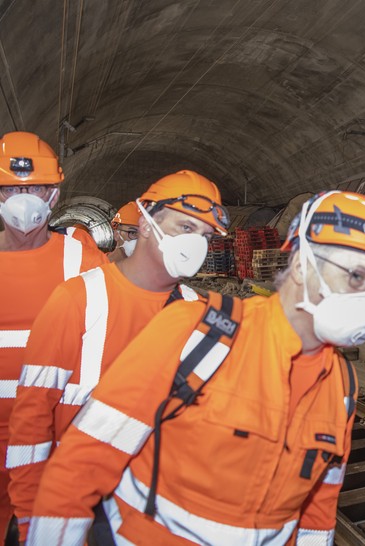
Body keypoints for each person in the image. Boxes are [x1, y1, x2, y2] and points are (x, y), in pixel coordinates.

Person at [28, 190, 365, 545]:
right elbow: (80, 466)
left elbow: (319, 510)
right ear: (303, 265)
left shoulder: (340, 385)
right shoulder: (196, 333)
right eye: (356, 276)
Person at [7, 170, 228, 542]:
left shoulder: (203, 313)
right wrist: (32, 521)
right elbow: (31, 422)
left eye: (205, 236)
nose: (196, 244)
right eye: (185, 227)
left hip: (159, 512)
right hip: (83, 509)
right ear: (144, 224)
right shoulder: (77, 299)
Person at [0, 131, 107, 539]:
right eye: (10, 188)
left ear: (55, 194)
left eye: (36, 187)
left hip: (54, 443)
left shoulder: (82, 258)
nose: (22, 199)